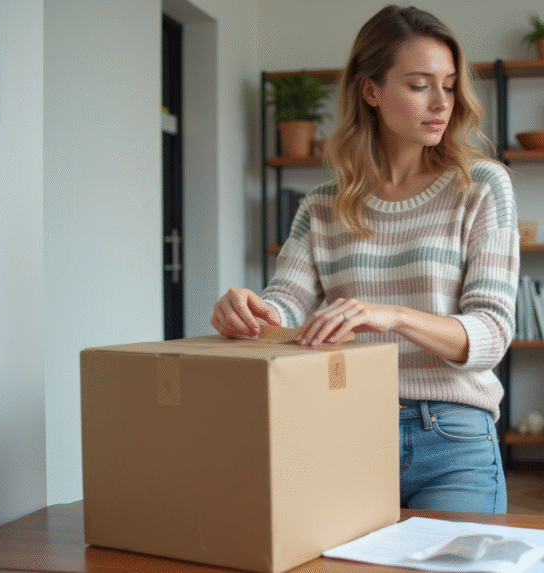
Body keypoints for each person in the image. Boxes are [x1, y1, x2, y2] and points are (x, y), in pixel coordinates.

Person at [211, 4, 519, 514]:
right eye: (419, 85)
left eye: (449, 86)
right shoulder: (321, 207)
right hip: (345, 429)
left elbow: (492, 334)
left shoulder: (482, 187)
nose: (441, 103)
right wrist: (246, 313)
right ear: (371, 91)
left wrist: (392, 316)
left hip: (452, 437)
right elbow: (283, 309)